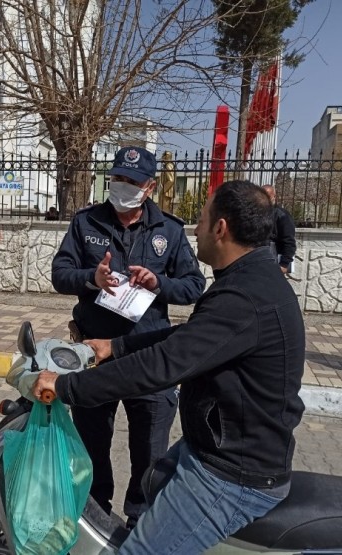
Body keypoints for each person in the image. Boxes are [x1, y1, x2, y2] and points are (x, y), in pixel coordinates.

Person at [36, 180, 306, 553]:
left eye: (203, 217)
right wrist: (115, 346)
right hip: (212, 447)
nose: (196, 229)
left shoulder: (244, 297)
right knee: (151, 485)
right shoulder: (249, 280)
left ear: (221, 228)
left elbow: (162, 365)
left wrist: (65, 388)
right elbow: (188, 338)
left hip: (230, 473)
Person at [51, 146, 206, 527]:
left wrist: (158, 283)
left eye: (133, 181)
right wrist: (92, 278)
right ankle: (94, 517)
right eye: (118, 178)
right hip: (95, 352)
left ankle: (141, 523)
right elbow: (59, 273)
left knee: (150, 452)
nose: (123, 186)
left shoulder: (168, 230)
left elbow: (193, 286)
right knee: (90, 447)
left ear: (149, 187)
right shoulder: (86, 222)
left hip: (148, 355)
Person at [262, 184, 296, 274]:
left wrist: (284, 264)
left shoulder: (282, 215)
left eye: (267, 196)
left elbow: (289, 241)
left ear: (274, 196)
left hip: (273, 260)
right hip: (258, 260)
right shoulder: (256, 213)